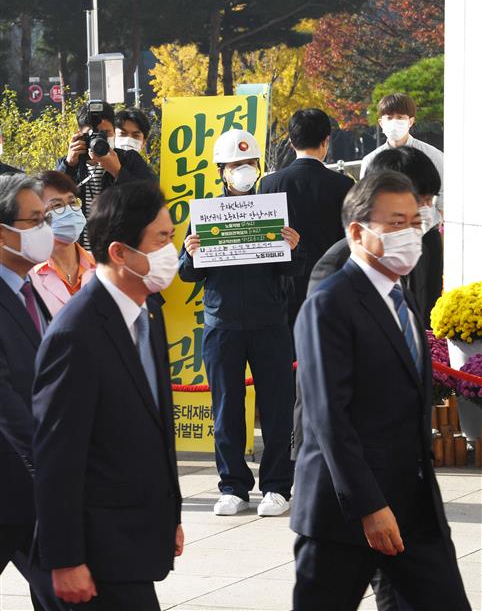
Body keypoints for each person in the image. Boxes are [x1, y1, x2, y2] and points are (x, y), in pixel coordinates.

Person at [291, 170, 470, 611]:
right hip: (345, 513)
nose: (410, 233)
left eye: (414, 222)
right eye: (395, 223)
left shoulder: (401, 296)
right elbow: (329, 415)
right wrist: (370, 507)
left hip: (413, 505)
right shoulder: (329, 304)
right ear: (357, 231)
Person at [32, 181, 183, 610]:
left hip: (134, 541)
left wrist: (169, 515)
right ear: (119, 252)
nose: (168, 252)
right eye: (160, 240)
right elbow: (57, 456)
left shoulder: (147, 310)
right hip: (94, 553)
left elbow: (156, 423)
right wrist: (65, 559)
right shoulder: (76, 334)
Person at [179, 129, 302, 517]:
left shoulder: (273, 213)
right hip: (222, 324)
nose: (243, 172)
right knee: (226, 408)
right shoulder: (205, 215)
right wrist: (191, 252)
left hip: (269, 324)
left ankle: (277, 487)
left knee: (277, 408)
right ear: (222, 171)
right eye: (235, 165)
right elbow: (187, 276)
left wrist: (292, 246)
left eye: (249, 165)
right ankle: (232, 486)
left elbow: (291, 269)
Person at [0, 173, 67, 610]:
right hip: (18, 471)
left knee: (62, 592)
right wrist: (48, 454)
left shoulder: (34, 287)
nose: (47, 229)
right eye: (35, 220)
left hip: (31, 491)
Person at [309, 147, 443, 327]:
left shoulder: (418, 254)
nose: (426, 210)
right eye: (418, 200)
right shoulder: (336, 265)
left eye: (430, 200)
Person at [259, 108, 352, 330]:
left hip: (283, 289)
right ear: (326, 141)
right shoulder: (344, 185)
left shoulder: (269, 184)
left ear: (291, 142)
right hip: (331, 285)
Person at [57, 100, 155, 248]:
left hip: (118, 257)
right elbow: (51, 202)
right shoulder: (70, 164)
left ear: (114, 132)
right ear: (79, 135)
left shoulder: (129, 160)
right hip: (80, 257)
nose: (99, 139)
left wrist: (118, 172)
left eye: (105, 133)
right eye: (91, 135)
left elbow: (152, 200)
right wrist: (69, 164)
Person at [360, 93, 444, 216]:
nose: (394, 122)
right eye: (389, 117)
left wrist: (437, 220)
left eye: (400, 117)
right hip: (387, 230)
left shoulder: (432, 155)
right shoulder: (371, 160)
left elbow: (443, 194)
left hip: (426, 229)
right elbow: (365, 198)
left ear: (410, 121)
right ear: (381, 122)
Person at [29, 171, 96, 316]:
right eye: (57, 206)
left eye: (72, 202)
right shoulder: (28, 276)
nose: (69, 210)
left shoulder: (103, 266)